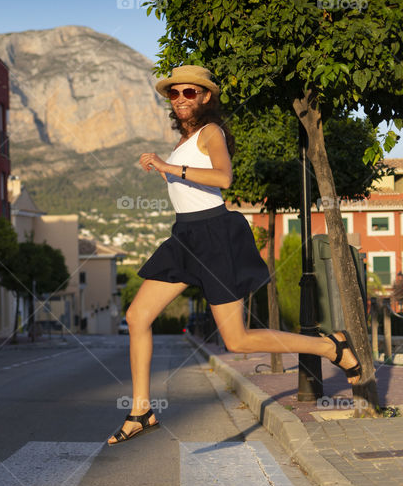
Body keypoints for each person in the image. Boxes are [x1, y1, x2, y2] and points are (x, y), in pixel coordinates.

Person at [107, 65, 362, 445]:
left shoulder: (211, 132)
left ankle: (331, 346)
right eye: (174, 94)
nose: (180, 99)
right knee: (137, 315)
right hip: (185, 235)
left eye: (188, 93)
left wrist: (167, 165)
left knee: (237, 341)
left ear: (206, 96)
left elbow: (224, 178)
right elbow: (191, 185)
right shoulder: (187, 140)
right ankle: (141, 409)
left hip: (214, 234)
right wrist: (166, 168)